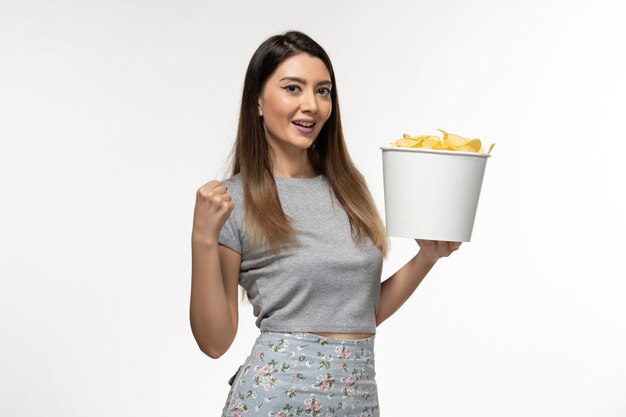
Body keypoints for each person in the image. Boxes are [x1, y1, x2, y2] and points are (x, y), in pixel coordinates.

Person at [190, 31, 462, 417]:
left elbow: (362, 311)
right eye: (292, 88)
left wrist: (427, 257)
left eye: (323, 91)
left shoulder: (349, 189)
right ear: (257, 102)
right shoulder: (233, 201)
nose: (311, 105)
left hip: (359, 398)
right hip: (275, 401)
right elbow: (214, 342)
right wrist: (202, 238)